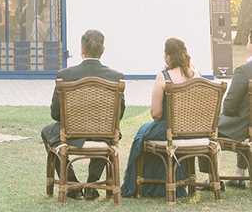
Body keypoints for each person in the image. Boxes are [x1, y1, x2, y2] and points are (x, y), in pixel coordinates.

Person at [42, 28, 125, 200]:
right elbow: (119, 115)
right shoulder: (116, 77)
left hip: (71, 134)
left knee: (47, 131)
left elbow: (55, 114)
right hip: (104, 135)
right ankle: (93, 182)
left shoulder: (65, 75)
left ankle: (71, 182)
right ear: (103, 50)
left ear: (81, 50)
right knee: (109, 133)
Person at [121, 36, 200, 198]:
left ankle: (144, 185)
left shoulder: (164, 76)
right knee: (147, 131)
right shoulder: (197, 74)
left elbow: (156, 114)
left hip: (170, 129)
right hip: (195, 131)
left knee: (143, 132)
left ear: (168, 56)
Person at [216, 29, 252, 187]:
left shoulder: (244, 71)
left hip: (244, 127)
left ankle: (212, 178)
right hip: (247, 125)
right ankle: (238, 173)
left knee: (206, 130)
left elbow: (229, 106)